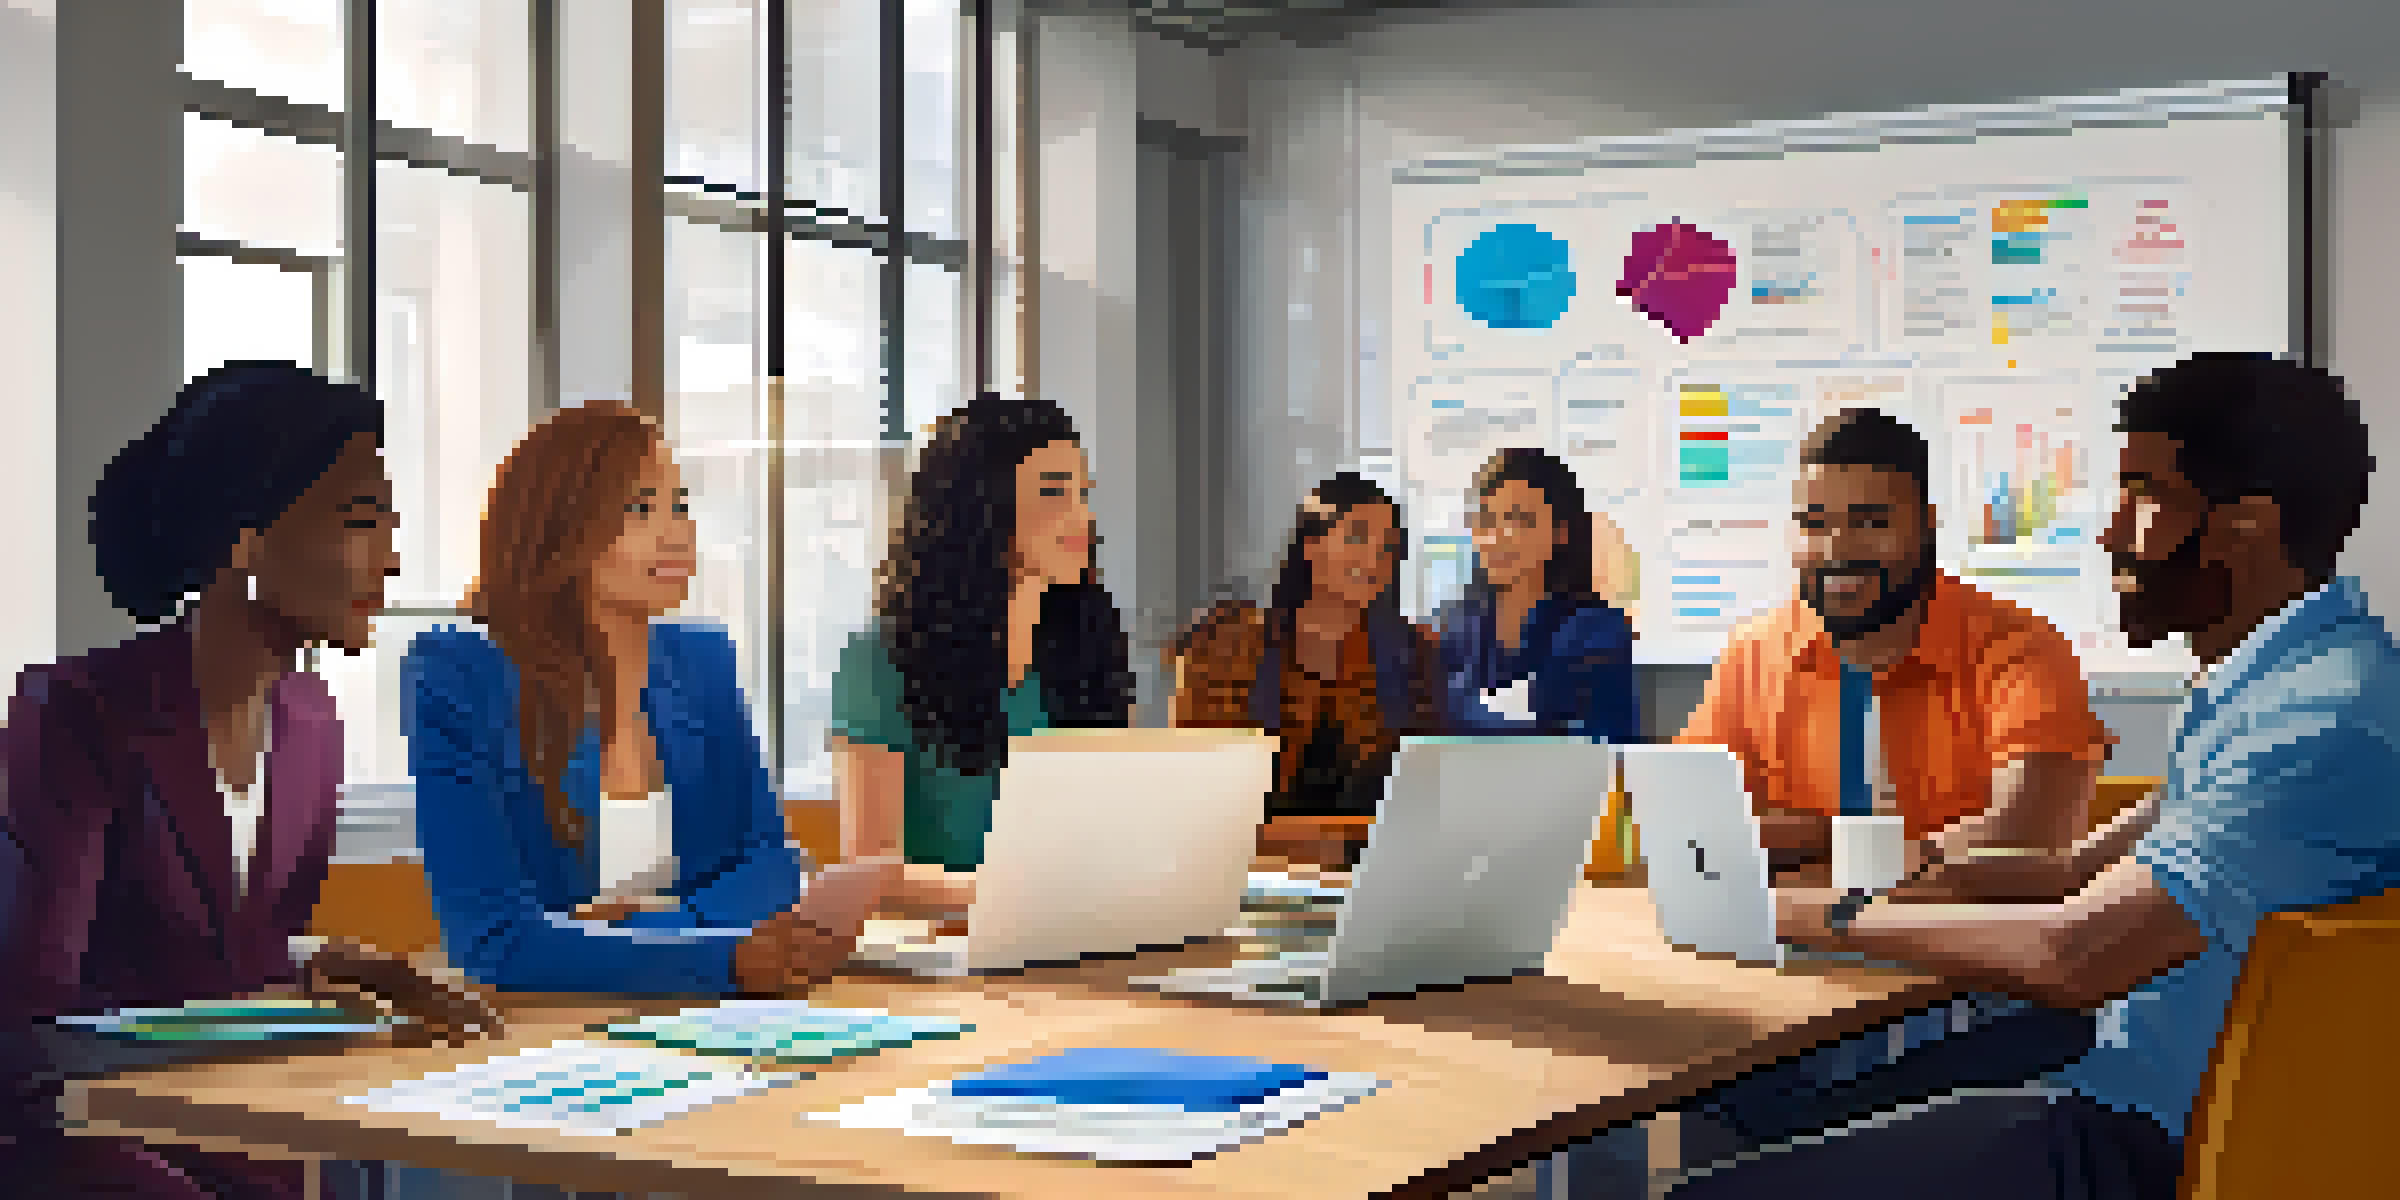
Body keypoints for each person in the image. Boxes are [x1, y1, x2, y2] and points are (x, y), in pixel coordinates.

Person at [1667, 353, 2400, 1200]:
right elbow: (2071, 870)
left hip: (2160, 1134)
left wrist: (1810, 914)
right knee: (1767, 1112)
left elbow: (2074, 953)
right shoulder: (2275, 683)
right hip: (2140, 1061)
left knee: (1702, 1194)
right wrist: (1889, 882)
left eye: (2144, 498)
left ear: (2247, 527)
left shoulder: (2316, 721)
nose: (2111, 533)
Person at [0, 362, 505, 1199]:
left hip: (239, 1121)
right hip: (88, 1142)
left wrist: (329, 966)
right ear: (246, 543)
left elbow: (229, 947)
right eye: (360, 522)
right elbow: (32, 1018)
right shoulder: (79, 711)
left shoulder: (311, 724)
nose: (390, 559)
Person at [1666, 406, 2118, 1151]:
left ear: (1927, 526)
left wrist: (1811, 841)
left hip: (1969, 990)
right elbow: (1693, 831)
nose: (1837, 550)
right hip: (1799, 974)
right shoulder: (1754, 654)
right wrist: (1852, 840)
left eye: (1870, 521)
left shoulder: (2019, 648)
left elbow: (2031, 840)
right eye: (1813, 523)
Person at [404, 401, 902, 996]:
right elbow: (493, 940)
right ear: (558, 528)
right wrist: (725, 957)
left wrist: (655, 930)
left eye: (680, 505)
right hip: (538, 1017)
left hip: (707, 1010)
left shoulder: (704, 660)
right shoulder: (458, 674)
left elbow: (772, 864)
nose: (676, 535)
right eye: (639, 510)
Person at [830, 392, 1135, 883]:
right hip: (947, 928)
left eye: (1083, 494)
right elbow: (872, 868)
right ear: (981, 508)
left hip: (1077, 918)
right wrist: (999, 898)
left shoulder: (1092, 642)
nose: (1082, 518)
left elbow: (1121, 829)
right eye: (1054, 493)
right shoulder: (878, 661)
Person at [1173, 473, 1448, 841]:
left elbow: (1428, 787)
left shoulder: (1413, 656)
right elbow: (1194, 778)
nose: (1373, 559)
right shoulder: (1228, 645)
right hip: (1245, 856)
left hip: (1368, 859)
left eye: (1387, 547)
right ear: (1311, 545)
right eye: (1357, 537)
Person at [1437, 448, 1639, 742]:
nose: (1497, 537)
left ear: (1561, 532)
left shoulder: (1595, 631)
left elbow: (1604, 747)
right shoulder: (1456, 624)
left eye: (1519, 520)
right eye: (1487, 520)